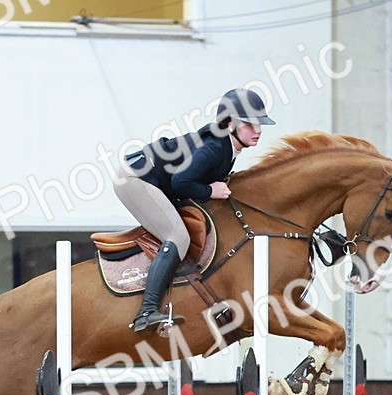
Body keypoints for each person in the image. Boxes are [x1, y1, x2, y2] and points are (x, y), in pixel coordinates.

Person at [115, 88, 275, 332]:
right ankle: (146, 311)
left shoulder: (226, 146)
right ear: (230, 124)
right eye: (250, 124)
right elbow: (182, 181)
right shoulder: (215, 148)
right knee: (177, 236)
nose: (259, 130)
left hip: (155, 179)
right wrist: (211, 191)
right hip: (135, 179)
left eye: (260, 124)